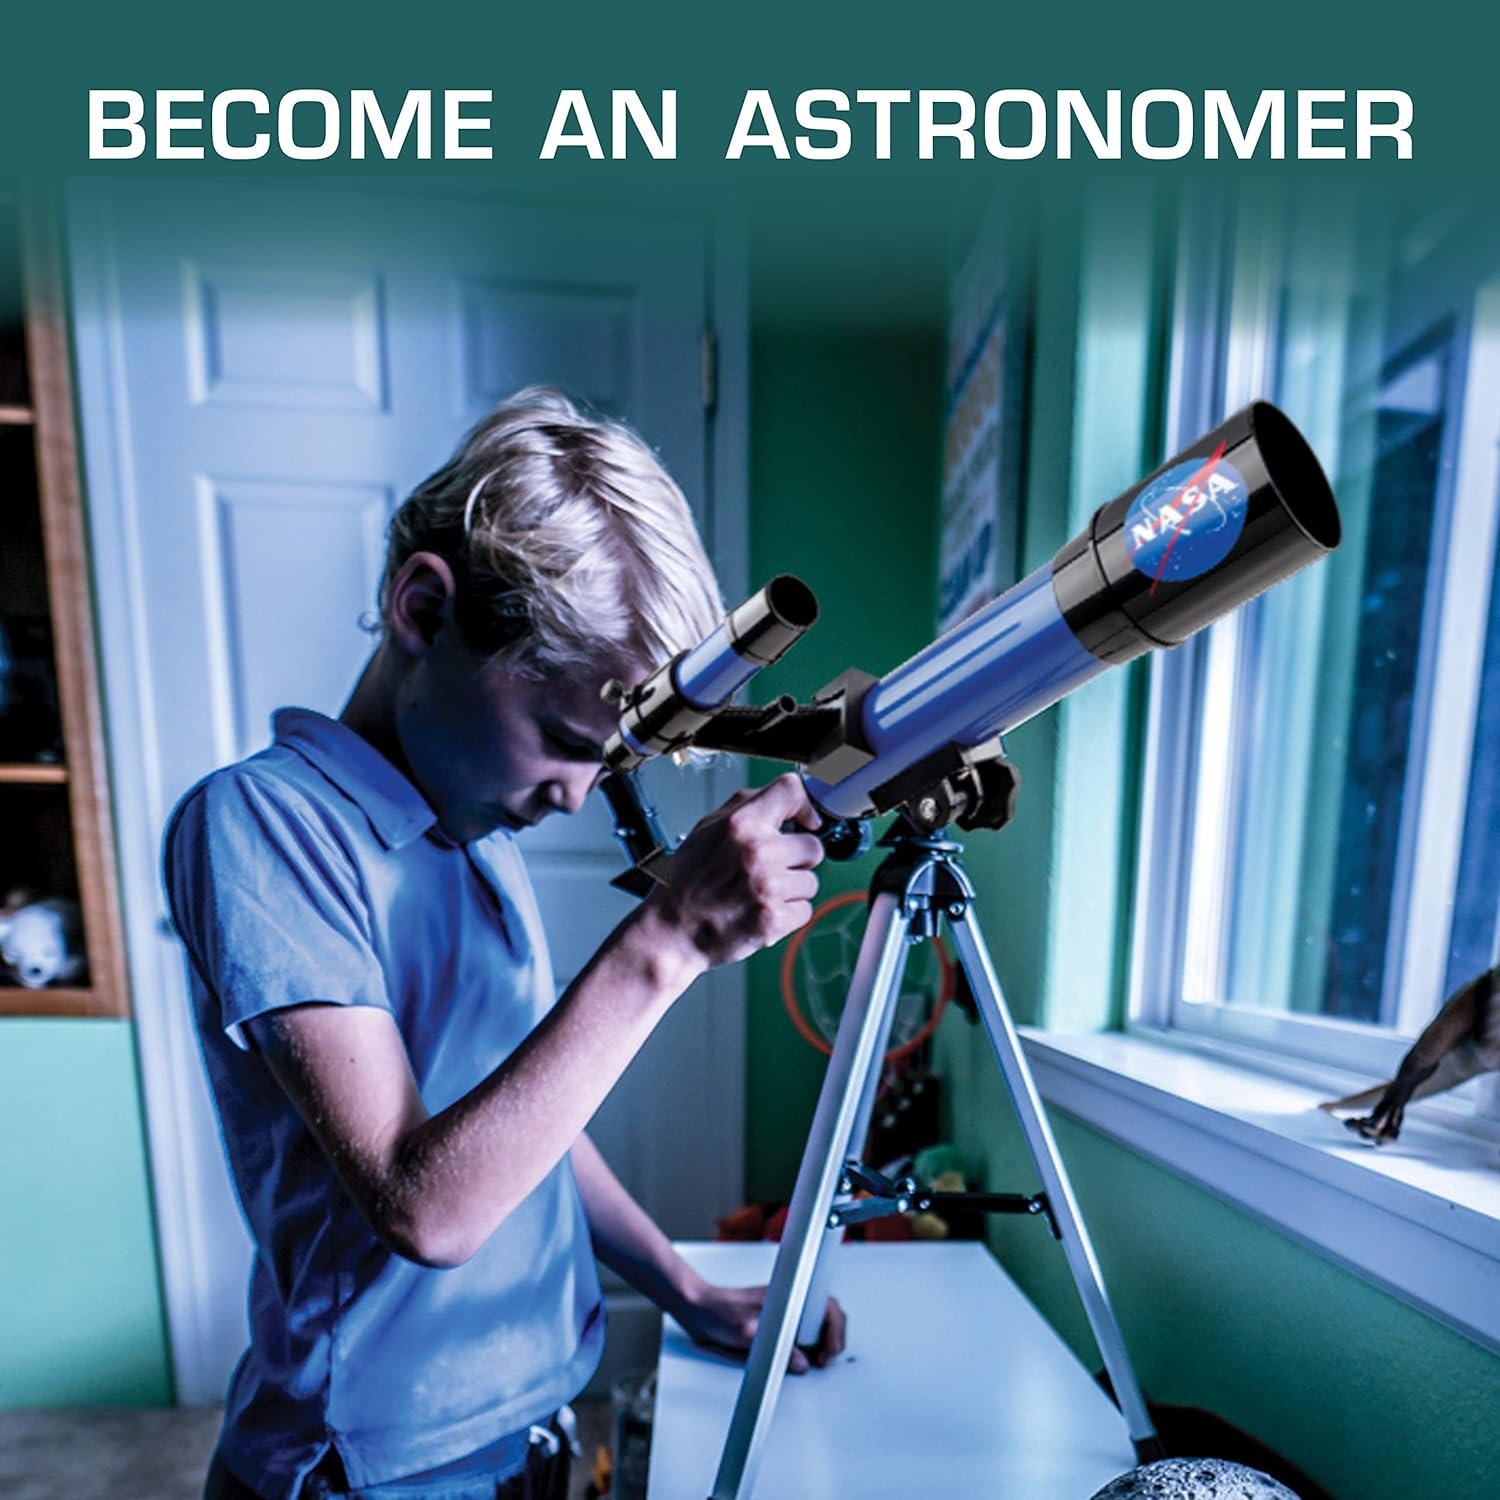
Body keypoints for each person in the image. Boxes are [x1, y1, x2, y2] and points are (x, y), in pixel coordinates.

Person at [165, 388, 845, 1500]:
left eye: (607, 762)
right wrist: (666, 942)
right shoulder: (262, 824)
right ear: (424, 611)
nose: (577, 796)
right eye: (566, 739)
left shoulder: (475, 828)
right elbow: (425, 1206)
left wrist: (682, 1290)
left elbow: (528, 1128)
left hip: (534, 1423)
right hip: (373, 1466)